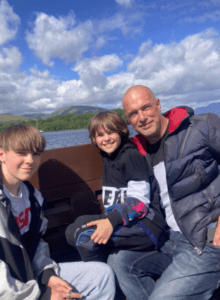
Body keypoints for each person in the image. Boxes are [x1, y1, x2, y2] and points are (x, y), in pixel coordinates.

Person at [120, 85, 220, 300]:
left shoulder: (201, 127)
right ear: (129, 120)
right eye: (133, 114)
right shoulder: (136, 152)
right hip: (167, 240)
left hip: (205, 239)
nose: (142, 117)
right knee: (120, 264)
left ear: (158, 104)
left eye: (146, 108)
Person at [0, 123, 115, 300]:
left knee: (101, 275)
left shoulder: (32, 198)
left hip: (30, 274)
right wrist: (44, 295)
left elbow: (36, 244)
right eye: (21, 153)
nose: (30, 160)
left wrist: (48, 276)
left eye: (36, 153)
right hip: (10, 290)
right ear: (2, 154)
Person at [65, 111, 171, 299]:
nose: (106, 139)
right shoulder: (109, 159)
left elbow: (139, 204)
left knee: (83, 233)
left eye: (110, 132)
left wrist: (110, 221)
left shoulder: (130, 156)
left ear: (122, 132)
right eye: (99, 135)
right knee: (73, 231)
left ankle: (104, 288)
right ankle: (108, 283)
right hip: (128, 224)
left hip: (147, 227)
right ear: (94, 139)